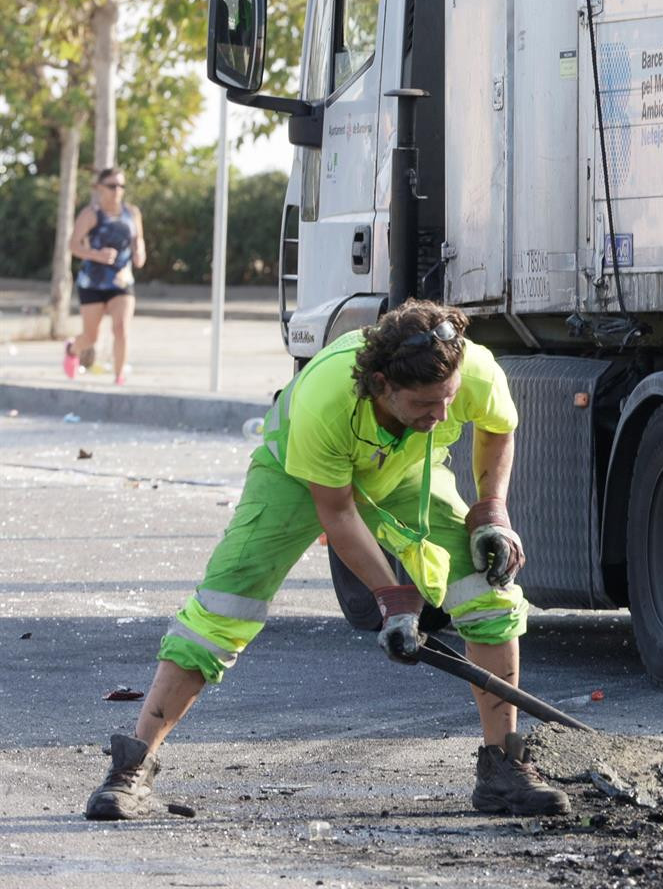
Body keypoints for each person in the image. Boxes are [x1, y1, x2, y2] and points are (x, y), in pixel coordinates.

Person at [84, 300, 570, 820]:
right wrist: (395, 601)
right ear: (381, 384)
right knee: (226, 602)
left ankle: (503, 769)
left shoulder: (468, 368)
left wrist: (491, 509)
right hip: (295, 474)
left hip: (401, 468)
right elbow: (337, 513)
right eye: (427, 404)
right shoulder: (326, 398)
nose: (444, 415)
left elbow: (498, 427)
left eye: (448, 400)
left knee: (487, 590)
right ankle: (131, 770)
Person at [65, 167, 145, 385]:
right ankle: (72, 350)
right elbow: (73, 245)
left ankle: (119, 378)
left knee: (121, 329)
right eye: (112, 186)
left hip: (121, 280)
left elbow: (138, 239)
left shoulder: (132, 213)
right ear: (99, 188)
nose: (117, 190)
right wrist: (96, 255)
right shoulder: (91, 214)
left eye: (121, 186)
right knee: (91, 337)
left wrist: (140, 253)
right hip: (93, 282)